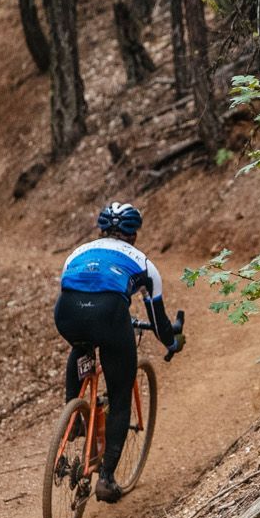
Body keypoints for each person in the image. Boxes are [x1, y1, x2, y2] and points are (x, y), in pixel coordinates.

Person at [55, 201, 182, 502]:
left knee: (82, 344)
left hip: (67, 315)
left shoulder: (78, 253)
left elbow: (70, 289)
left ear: (101, 229)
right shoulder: (143, 263)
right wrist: (171, 343)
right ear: (134, 234)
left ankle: (73, 420)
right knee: (120, 394)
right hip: (109, 317)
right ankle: (107, 479)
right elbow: (158, 321)